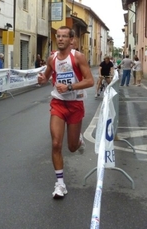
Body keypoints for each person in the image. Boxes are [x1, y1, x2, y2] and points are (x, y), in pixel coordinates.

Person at [37, 26, 94, 199]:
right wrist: (42, 80)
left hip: (75, 104)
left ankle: (78, 141)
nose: (60, 39)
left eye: (64, 36)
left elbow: (90, 81)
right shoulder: (52, 59)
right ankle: (60, 184)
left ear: (71, 40)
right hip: (58, 103)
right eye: (58, 36)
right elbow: (46, 77)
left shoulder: (78, 57)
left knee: (71, 147)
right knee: (56, 143)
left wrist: (69, 86)